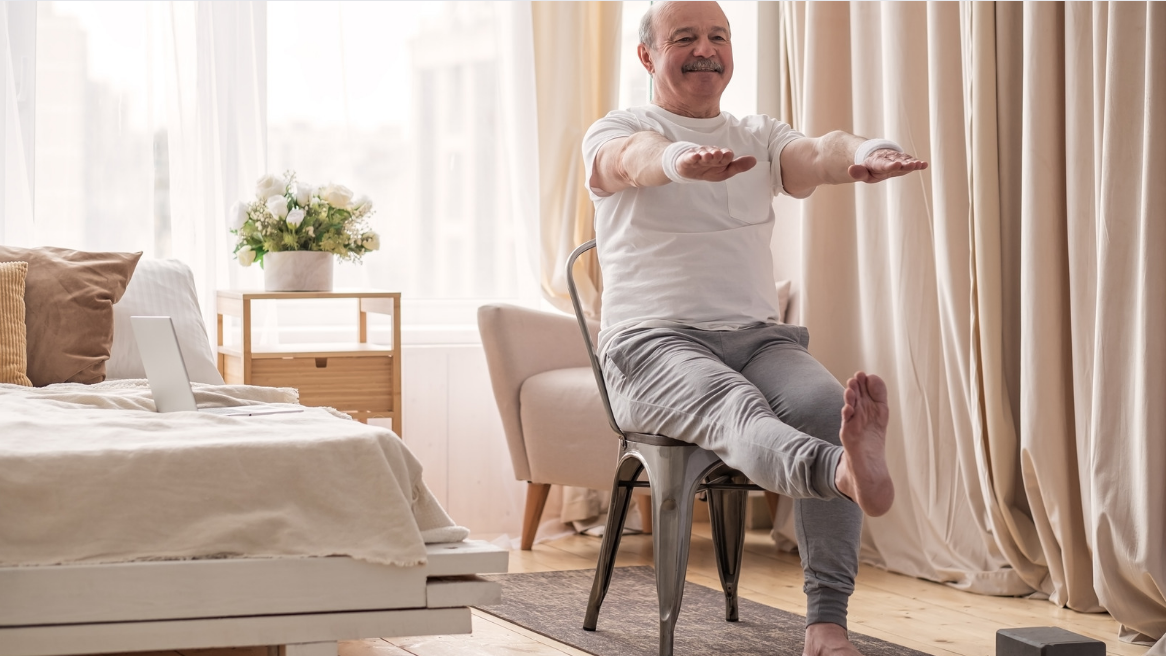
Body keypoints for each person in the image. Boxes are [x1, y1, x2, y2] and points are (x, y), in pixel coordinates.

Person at [582, 3, 928, 655]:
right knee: (736, 409)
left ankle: (826, 624)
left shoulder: (755, 134)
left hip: (758, 339)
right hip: (651, 347)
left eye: (719, 36)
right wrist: (681, 161)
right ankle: (841, 473)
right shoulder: (618, 127)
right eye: (684, 38)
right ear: (648, 56)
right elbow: (629, 160)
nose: (706, 49)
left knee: (830, 406)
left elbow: (814, 154)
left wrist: (865, 153)